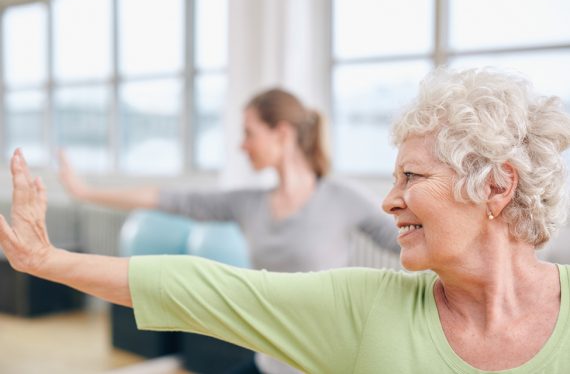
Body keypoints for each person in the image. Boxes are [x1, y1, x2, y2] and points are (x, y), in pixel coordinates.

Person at [2, 67, 570, 373]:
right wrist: (50, 257)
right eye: (393, 179)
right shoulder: (365, 307)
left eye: (411, 179)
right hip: (272, 354)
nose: (389, 200)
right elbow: (203, 282)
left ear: (496, 186)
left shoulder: (341, 201)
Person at [58, 88, 400, 373]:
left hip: (324, 362)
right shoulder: (248, 203)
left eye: (249, 133)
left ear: (281, 133)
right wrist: (86, 192)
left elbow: (406, 242)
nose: (241, 144)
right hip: (270, 360)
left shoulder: (344, 198)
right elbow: (170, 199)